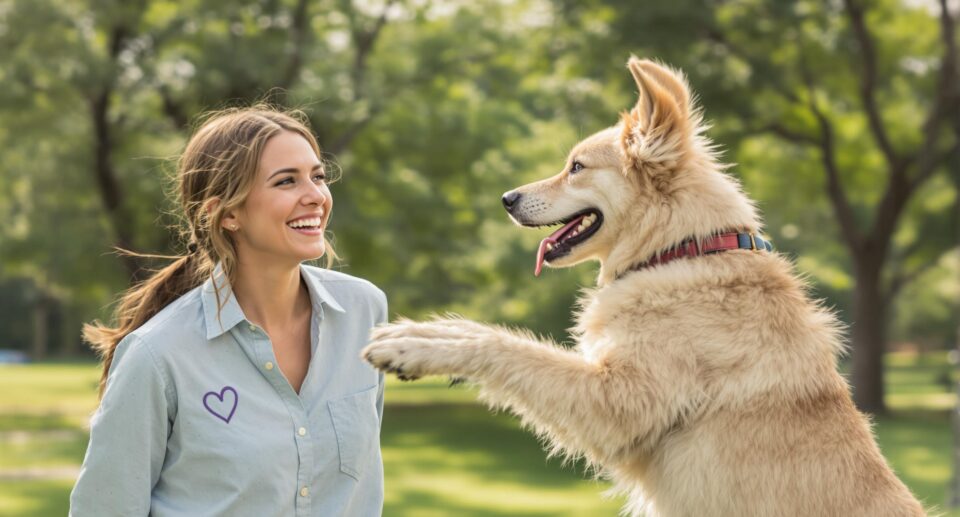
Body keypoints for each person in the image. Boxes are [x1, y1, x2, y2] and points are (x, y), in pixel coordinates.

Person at [70, 106, 388, 516]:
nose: (315, 195)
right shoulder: (157, 354)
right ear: (228, 214)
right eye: (286, 181)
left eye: (318, 176)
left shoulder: (364, 312)